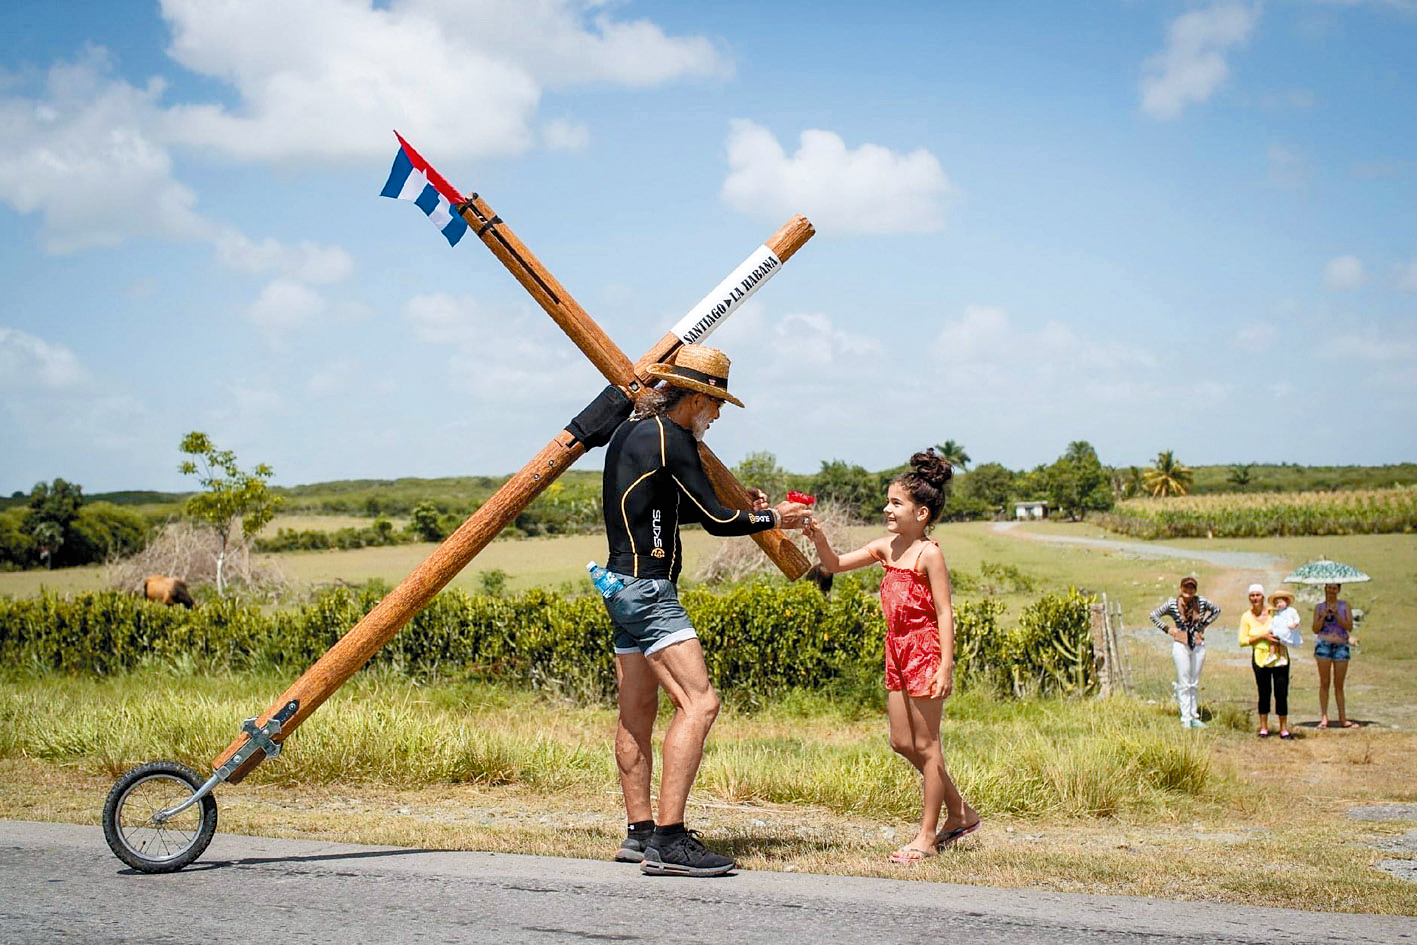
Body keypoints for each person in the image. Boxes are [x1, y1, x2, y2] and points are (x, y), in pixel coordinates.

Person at [600, 344, 811, 877]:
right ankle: (670, 842)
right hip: (650, 590)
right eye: (714, 406)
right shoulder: (672, 439)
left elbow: (685, 507)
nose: (715, 417)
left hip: (619, 584)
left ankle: (639, 832)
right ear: (694, 399)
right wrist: (775, 520)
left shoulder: (632, 430)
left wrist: (749, 509)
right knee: (701, 703)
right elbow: (718, 522)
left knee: (636, 713)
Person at [803, 448, 979, 864]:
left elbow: (944, 611)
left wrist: (945, 664)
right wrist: (819, 538)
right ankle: (961, 812)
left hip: (924, 650)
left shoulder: (929, 553)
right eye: (888, 500)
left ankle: (927, 837)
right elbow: (833, 564)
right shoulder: (885, 547)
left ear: (921, 513)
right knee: (902, 742)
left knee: (928, 744)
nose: (888, 508)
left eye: (896, 503)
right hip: (895, 648)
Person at [1149, 576, 1221, 728]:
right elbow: (1153, 615)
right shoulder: (1172, 604)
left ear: (1195, 589)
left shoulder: (1201, 602)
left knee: (1194, 681)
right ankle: (1185, 717)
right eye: (1186, 587)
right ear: (1180, 588)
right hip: (1181, 643)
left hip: (1198, 642)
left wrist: (1203, 625)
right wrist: (1168, 629)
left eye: (1191, 588)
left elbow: (1217, 610)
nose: (1188, 591)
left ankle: (1194, 716)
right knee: (1184, 681)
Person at [1237, 585, 1296, 739]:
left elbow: (1288, 620)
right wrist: (1262, 636)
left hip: (1280, 659)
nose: (1255, 598)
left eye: (1258, 595)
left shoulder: (1274, 612)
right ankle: (1264, 726)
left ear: (1263, 597)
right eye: (1252, 595)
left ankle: (1283, 727)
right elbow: (1242, 640)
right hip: (1260, 659)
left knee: (1281, 692)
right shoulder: (1246, 617)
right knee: (1264, 692)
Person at [1312, 583, 1357, 729]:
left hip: (1341, 645)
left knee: (1339, 684)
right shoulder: (1319, 607)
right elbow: (1315, 629)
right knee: (1324, 682)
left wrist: (1337, 614)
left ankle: (1342, 717)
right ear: (1325, 588)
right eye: (1329, 587)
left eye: (1334, 588)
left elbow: (1349, 626)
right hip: (1324, 645)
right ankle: (1324, 717)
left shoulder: (1345, 606)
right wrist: (1323, 616)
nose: (1331, 590)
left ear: (1338, 589)